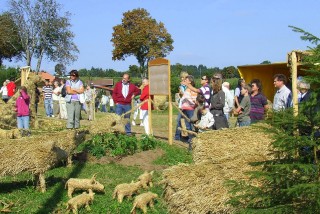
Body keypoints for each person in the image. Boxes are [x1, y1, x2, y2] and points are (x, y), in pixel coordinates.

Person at [180, 75, 197, 148]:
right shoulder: (186, 89)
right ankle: (190, 140)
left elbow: (194, 100)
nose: (185, 81)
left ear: (190, 81)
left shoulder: (193, 90)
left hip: (190, 109)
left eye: (186, 80)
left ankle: (193, 141)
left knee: (191, 126)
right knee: (187, 126)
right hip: (185, 109)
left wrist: (188, 98)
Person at [174, 71, 189, 141]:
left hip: (188, 105)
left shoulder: (188, 86)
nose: (183, 79)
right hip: (182, 105)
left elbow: (184, 94)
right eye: (182, 77)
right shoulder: (181, 86)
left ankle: (187, 136)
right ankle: (177, 136)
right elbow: (181, 94)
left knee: (187, 121)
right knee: (179, 120)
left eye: (184, 78)